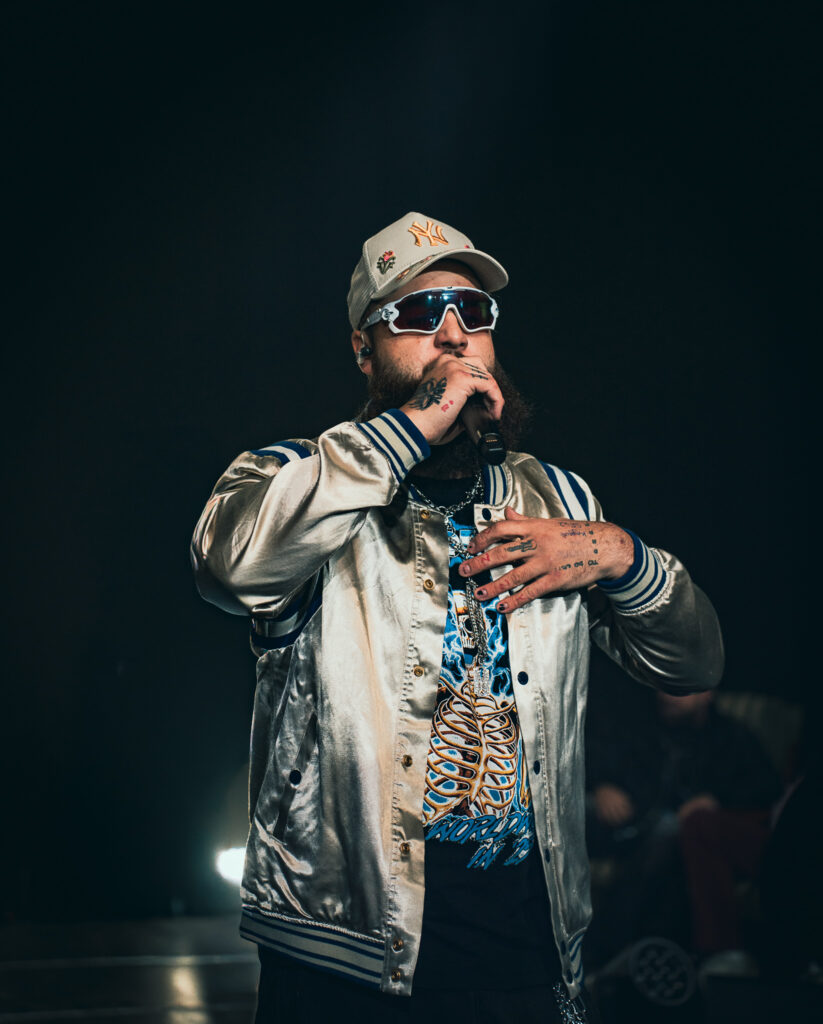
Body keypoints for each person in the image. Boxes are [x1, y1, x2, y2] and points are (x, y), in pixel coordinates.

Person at [191, 211, 724, 1023]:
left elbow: (692, 665)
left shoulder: (558, 498)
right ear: (363, 349)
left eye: (472, 313)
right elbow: (230, 566)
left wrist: (622, 554)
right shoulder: (298, 479)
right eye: (416, 314)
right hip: (344, 955)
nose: (452, 334)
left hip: (524, 952)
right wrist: (414, 423)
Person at [586, 684, 782, 967]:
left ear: (707, 694)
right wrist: (601, 785)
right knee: (571, 807)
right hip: (624, 818)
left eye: (680, 691)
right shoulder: (640, 723)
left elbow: (766, 788)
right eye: (664, 689)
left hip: (672, 836)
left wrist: (717, 799)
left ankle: (601, 951)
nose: (666, 697)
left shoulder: (730, 736)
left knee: (670, 830)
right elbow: (596, 755)